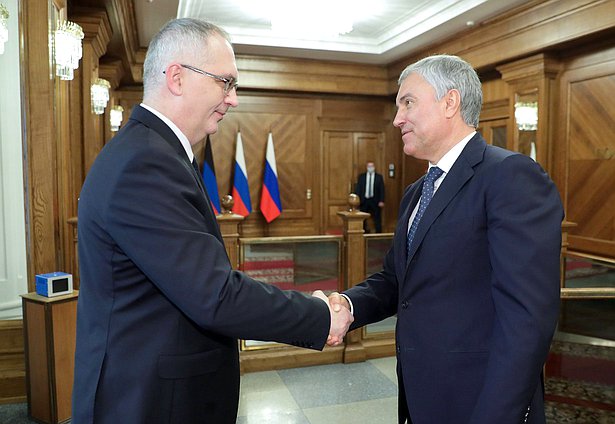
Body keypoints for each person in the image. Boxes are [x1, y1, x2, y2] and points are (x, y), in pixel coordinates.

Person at [72, 18, 352, 424]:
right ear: (177, 78)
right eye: (226, 82)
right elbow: (215, 296)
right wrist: (319, 314)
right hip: (147, 403)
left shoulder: (156, 152)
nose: (233, 99)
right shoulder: (146, 163)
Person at [330, 54, 563, 424]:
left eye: (408, 102)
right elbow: (396, 281)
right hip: (422, 397)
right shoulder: (416, 192)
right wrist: (347, 304)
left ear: (450, 102)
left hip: (481, 402)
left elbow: (527, 320)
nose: (397, 119)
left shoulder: (510, 176)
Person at [355, 161, 385, 232]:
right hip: (364, 200)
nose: (370, 168)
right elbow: (358, 189)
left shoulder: (379, 177)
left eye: (371, 166)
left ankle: (378, 234)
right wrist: (357, 200)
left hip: (375, 201)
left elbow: (382, 189)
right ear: (366, 167)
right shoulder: (362, 177)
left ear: (374, 167)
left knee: (377, 218)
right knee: (363, 218)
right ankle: (364, 232)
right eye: (369, 166)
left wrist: (382, 200)